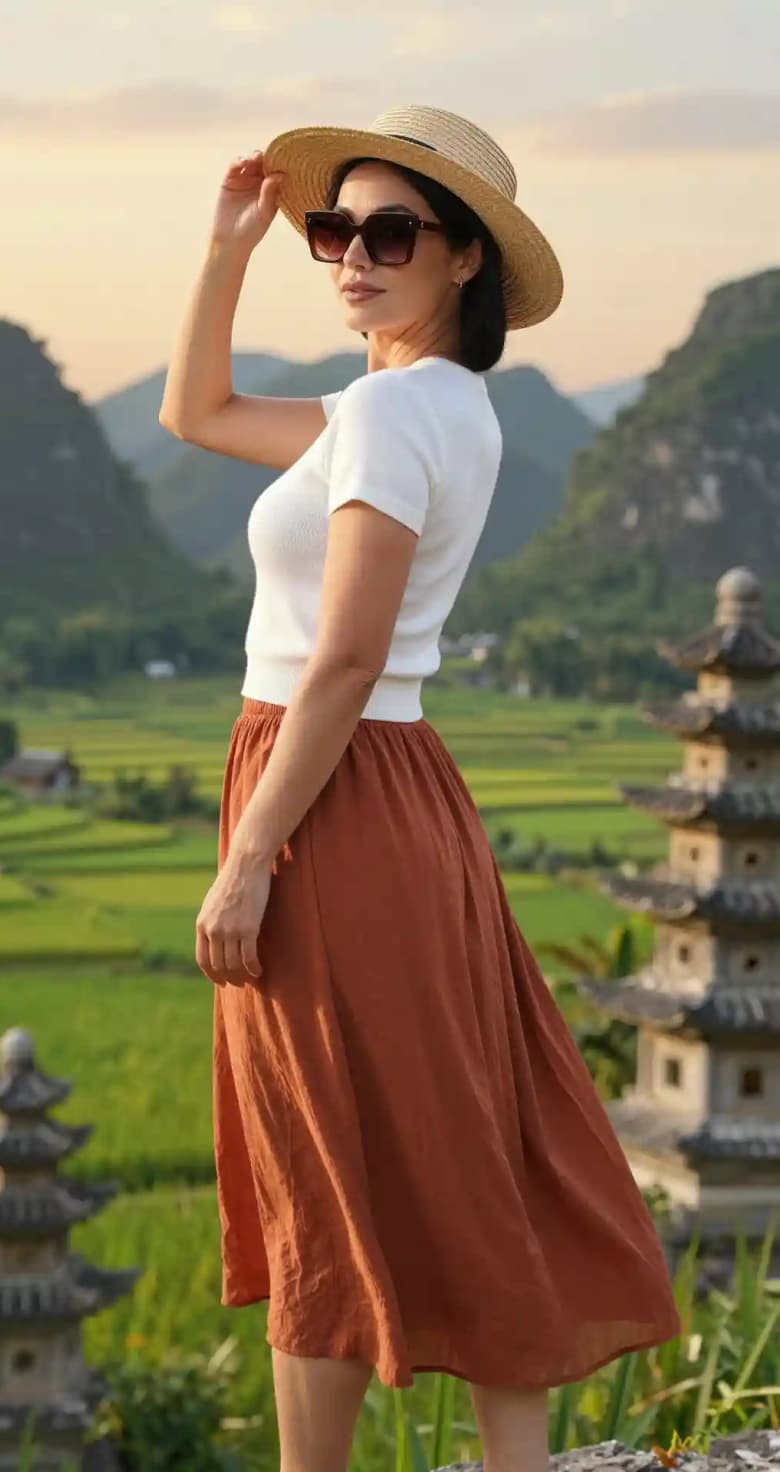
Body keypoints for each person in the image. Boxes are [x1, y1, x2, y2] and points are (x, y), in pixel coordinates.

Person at [159, 103, 683, 1472]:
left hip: (323, 787)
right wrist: (229, 249)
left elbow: (341, 659)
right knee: (451, 1143)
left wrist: (251, 856)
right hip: (397, 795)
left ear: (465, 261)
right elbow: (197, 413)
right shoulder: (425, 407)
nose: (350, 254)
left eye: (391, 232)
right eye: (337, 229)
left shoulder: (393, 409)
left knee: (320, 1151)